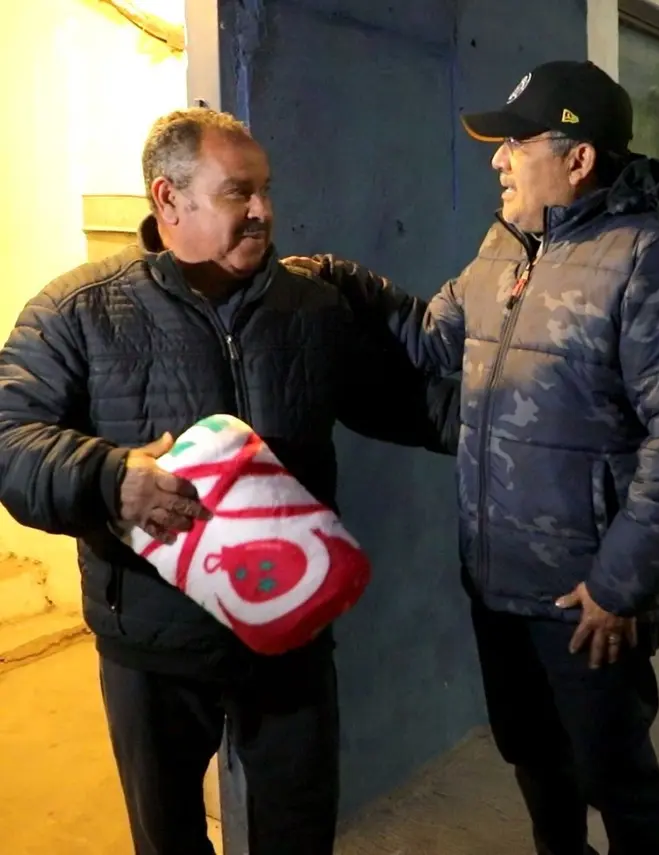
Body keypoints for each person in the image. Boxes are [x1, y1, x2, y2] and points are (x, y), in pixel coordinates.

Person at [288, 60, 659, 855]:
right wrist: (348, 281)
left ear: (578, 158)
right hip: (498, 580)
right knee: (534, 757)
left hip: (585, 597)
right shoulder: (506, 247)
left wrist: (619, 584)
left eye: (513, 141)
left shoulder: (654, 259)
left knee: (616, 778)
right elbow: (432, 338)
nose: (496, 158)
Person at [0, 108, 461, 855]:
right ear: (168, 199)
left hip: (292, 633)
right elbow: (9, 438)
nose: (264, 211)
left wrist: (542, 429)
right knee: (169, 838)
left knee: (298, 832)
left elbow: (414, 407)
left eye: (266, 191)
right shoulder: (77, 311)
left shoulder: (309, 306)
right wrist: (109, 477)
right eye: (237, 193)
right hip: (154, 643)